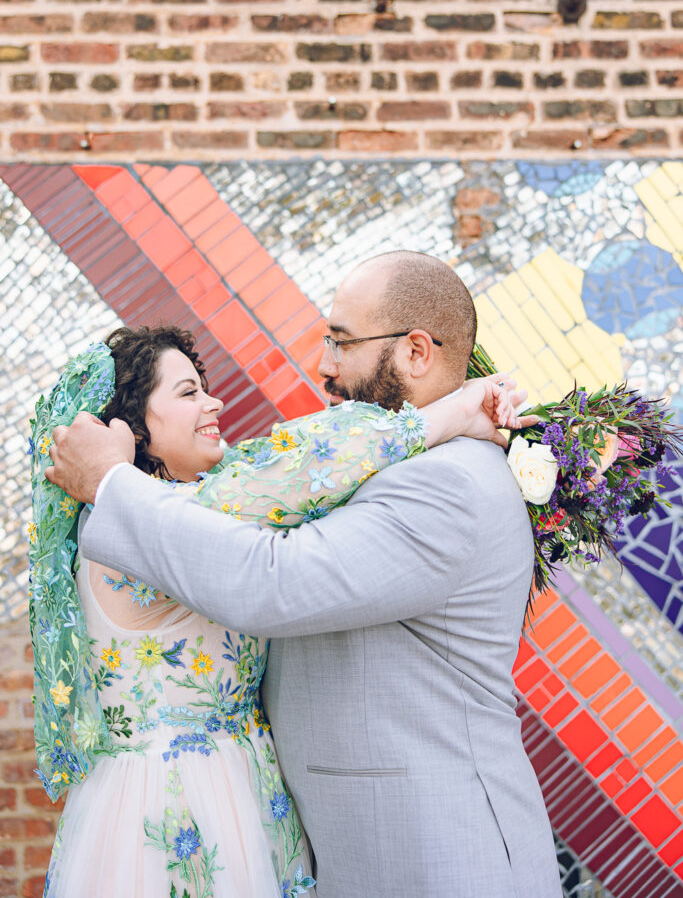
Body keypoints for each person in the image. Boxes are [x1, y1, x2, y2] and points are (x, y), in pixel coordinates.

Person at [47, 251, 562, 897]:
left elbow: (274, 580)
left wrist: (111, 483)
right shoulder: (382, 468)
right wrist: (450, 414)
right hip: (235, 820)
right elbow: (285, 476)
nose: (323, 364)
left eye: (341, 342)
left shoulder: (444, 484)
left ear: (415, 352)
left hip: (436, 856)